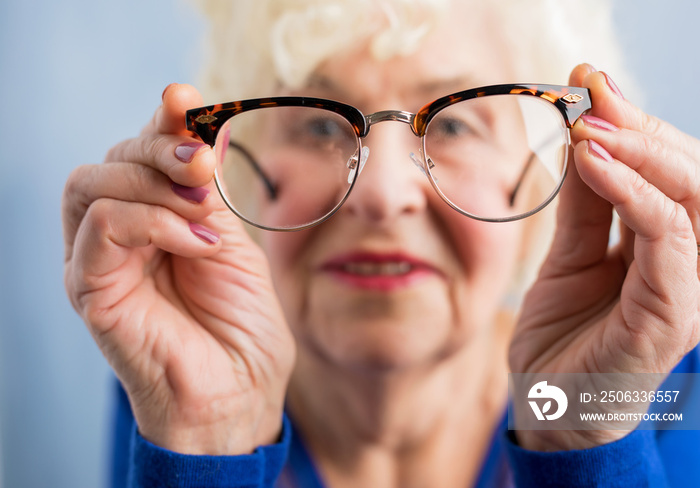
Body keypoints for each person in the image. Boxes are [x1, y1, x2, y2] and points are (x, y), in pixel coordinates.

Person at [62, 0, 700, 486]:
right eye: (318, 124)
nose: (382, 192)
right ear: (239, 170)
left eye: (453, 123)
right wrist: (204, 442)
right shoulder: (185, 378)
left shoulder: (654, 383)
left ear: (549, 171)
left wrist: (578, 436)